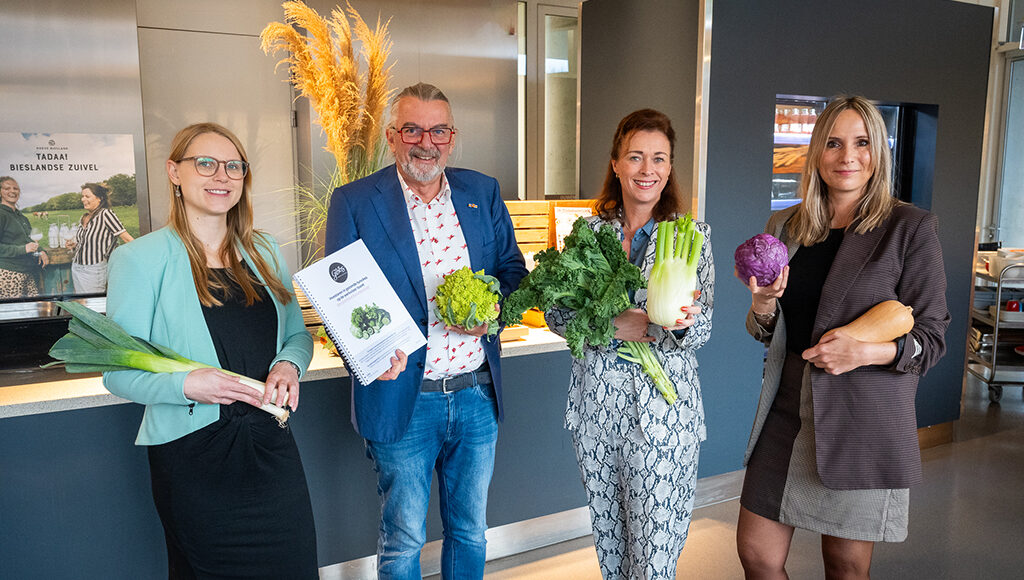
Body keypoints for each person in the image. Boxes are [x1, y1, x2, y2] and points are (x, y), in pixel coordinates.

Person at [735, 96, 950, 579]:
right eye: (833, 143)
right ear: (816, 152)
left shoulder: (909, 228)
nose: (847, 156)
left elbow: (932, 337)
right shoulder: (785, 228)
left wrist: (866, 350)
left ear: (879, 152)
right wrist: (763, 304)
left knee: (845, 567)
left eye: (862, 142)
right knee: (757, 555)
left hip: (862, 419)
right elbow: (767, 332)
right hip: (786, 410)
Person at [325, 82, 528, 579]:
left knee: (469, 532)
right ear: (393, 137)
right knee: (404, 538)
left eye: (438, 130)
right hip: (404, 398)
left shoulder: (482, 191)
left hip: (477, 392)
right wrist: (369, 354)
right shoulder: (354, 201)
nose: (425, 142)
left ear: (452, 137)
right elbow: (338, 301)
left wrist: (493, 311)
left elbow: (513, 272)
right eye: (412, 129)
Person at [103, 122, 319, 579]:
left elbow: (297, 336)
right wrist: (187, 384)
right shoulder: (139, 260)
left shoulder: (264, 250)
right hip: (193, 459)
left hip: (270, 445)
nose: (221, 176)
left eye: (234, 166)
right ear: (174, 172)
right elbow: (115, 372)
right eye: (205, 163)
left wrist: (288, 364)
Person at [546, 109, 715, 579]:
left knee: (654, 563)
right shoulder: (586, 235)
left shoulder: (691, 238)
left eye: (659, 159)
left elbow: (701, 329)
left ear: (670, 167)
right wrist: (616, 325)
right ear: (616, 163)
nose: (647, 169)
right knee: (613, 555)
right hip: (596, 415)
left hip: (663, 421)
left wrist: (671, 326)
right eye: (636, 157)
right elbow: (558, 315)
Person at [66, 181, 134, 293]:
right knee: (82, 305)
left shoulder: (106, 214)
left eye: (87, 196)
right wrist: (74, 245)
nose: (83, 199)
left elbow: (126, 238)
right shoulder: (84, 217)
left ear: (99, 198)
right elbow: (88, 242)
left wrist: (142, 257)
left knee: (93, 306)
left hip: (94, 270)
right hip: (76, 267)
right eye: (82, 196)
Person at [0, 176, 48, 298]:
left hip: (28, 271)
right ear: (0, 191)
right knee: (14, 313)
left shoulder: (22, 217)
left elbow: (29, 239)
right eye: (7, 188)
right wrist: (23, 249)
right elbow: (24, 246)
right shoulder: (1, 214)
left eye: (15, 188)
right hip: (9, 274)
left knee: (34, 310)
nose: (12, 191)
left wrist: (41, 250)